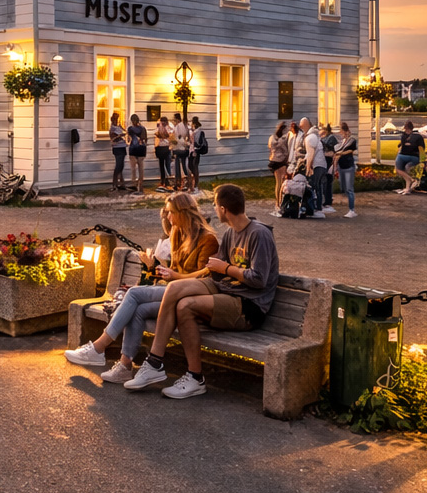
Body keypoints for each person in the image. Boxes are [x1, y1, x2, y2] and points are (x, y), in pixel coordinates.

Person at [123, 183, 278, 399]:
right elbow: (215, 270)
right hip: (225, 288)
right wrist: (204, 269)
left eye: (215, 205)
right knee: (175, 288)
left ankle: (195, 377)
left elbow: (259, 279)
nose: (213, 209)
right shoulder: (231, 233)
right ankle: (154, 363)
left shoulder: (259, 234)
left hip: (248, 304)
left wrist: (225, 268)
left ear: (223, 209)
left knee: (185, 306)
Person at [64, 192, 220, 383]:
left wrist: (174, 276)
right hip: (172, 292)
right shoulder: (178, 233)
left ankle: (98, 347)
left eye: (171, 212)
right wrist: (154, 266)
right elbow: (174, 270)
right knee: (138, 310)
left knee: (133, 294)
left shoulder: (207, 239)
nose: (168, 217)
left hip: (190, 297)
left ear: (183, 212)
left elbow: (204, 278)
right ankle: (124, 366)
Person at [334, 122, 358, 218]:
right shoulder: (342, 141)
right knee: (343, 187)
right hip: (341, 166)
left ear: (345, 131)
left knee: (349, 188)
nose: (340, 133)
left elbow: (351, 150)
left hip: (348, 166)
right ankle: (350, 208)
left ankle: (352, 210)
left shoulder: (352, 140)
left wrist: (341, 153)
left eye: (341, 131)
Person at [303, 120, 327, 218]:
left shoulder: (310, 138)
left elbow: (311, 154)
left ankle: (313, 208)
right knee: (319, 187)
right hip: (322, 164)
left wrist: (308, 168)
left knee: (313, 186)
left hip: (316, 166)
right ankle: (319, 208)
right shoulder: (315, 137)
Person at [267, 121, 291, 216]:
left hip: (273, 161)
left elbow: (269, 147)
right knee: (282, 183)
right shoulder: (284, 139)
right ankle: (280, 202)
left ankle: (277, 203)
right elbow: (286, 151)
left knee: (277, 183)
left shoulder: (272, 138)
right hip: (281, 161)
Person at [394, 121, 424, 195]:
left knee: (400, 169)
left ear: (405, 128)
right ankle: (407, 188)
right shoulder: (416, 136)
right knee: (405, 169)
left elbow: (402, 146)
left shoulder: (406, 136)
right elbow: (421, 148)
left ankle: (411, 179)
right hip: (412, 157)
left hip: (406, 155)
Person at [318, 123, 339, 213]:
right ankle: (325, 200)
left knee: (327, 182)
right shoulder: (324, 138)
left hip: (329, 162)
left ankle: (328, 201)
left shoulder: (331, 138)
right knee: (324, 182)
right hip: (324, 162)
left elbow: (333, 151)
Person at [126, 113, 149, 195]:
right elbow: (145, 139)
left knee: (133, 169)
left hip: (133, 149)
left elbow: (128, 138)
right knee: (140, 169)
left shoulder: (130, 129)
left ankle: (134, 184)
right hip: (141, 149)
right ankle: (140, 185)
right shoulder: (143, 129)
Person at [172, 115, 193, 194]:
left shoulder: (178, 127)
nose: (174, 121)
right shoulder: (186, 126)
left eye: (174, 120)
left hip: (179, 149)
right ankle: (186, 183)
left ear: (177, 119)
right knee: (184, 165)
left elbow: (176, 138)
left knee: (178, 166)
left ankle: (178, 183)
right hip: (184, 149)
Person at [108, 114, 128, 193]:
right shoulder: (112, 128)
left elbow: (126, 132)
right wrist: (120, 135)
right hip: (117, 148)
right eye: (115, 119)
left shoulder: (119, 127)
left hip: (123, 146)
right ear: (113, 120)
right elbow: (113, 138)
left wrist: (123, 128)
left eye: (117, 119)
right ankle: (114, 184)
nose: (117, 121)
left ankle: (122, 183)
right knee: (118, 166)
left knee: (121, 165)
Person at [188, 117, 208, 193]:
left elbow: (199, 142)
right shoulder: (193, 131)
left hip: (196, 151)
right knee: (190, 166)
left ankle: (196, 185)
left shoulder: (199, 131)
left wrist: (196, 148)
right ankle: (193, 182)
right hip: (191, 150)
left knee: (195, 166)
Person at [154, 116, 173, 191]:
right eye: (162, 121)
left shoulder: (169, 127)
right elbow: (156, 134)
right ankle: (163, 180)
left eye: (163, 121)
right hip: (160, 147)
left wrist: (163, 135)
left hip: (167, 147)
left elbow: (170, 135)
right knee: (161, 165)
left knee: (167, 164)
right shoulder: (159, 126)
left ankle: (168, 181)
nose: (163, 123)